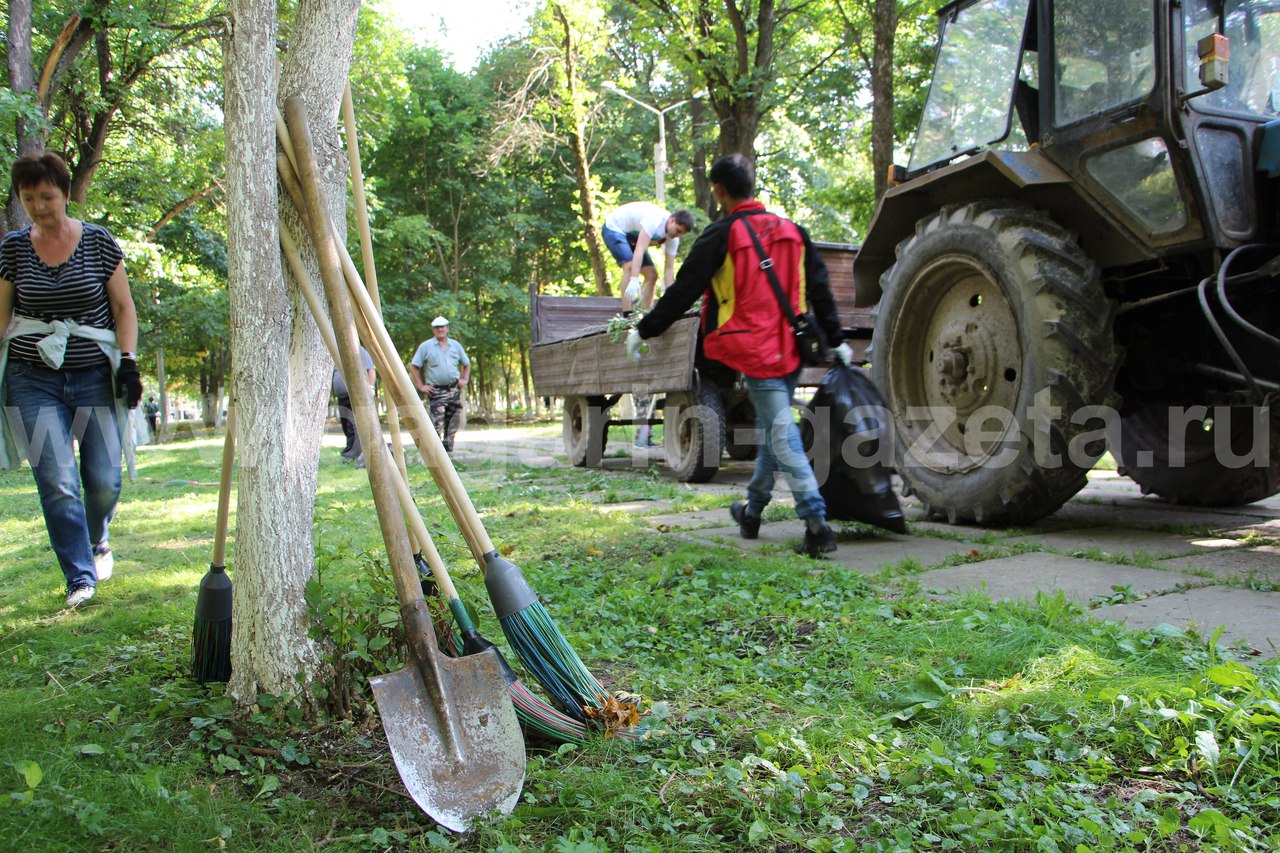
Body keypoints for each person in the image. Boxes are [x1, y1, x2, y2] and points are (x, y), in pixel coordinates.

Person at [626, 154, 852, 557]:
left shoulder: (721, 235)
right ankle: (751, 512)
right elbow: (819, 288)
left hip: (755, 349)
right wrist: (834, 339)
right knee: (773, 428)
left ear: (719, 191)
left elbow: (684, 291)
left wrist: (645, 328)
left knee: (781, 434)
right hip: (793, 346)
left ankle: (817, 525)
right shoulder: (792, 231)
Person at [0, 151, 142, 607]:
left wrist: (129, 362)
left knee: (103, 480)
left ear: (64, 193)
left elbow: (123, 309)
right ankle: (80, 576)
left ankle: (97, 538)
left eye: (47, 196)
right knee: (57, 480)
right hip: (31, 377)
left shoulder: (98, 241)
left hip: (94, 373)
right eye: (29, 198)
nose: (39, 206)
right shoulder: (13, 248)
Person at [601, 202, 694, 312]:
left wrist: (672, 298)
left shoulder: (673, 239)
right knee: (630, 267)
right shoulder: (655, 220)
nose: (678, 235)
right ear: (672, 220)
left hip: (633, 236)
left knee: (652, 275)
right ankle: (627, 315)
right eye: (678, 230)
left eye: (681, 234)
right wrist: (634, 279)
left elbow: (669, 269)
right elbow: (639, 249)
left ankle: (645, 314)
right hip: (615, 228)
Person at [410, 316, 471, 453]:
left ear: (447, 328)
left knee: (453, 419)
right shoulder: (426, 346)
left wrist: (464, 380)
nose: (440, 329)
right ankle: (437, 451)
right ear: (433, 330)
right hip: (436, 390)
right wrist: (421, 386)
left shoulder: (455, 345)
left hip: (453, 389)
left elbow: (466, 364)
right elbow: (414, 366)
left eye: (443, 326)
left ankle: (448, 447)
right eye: (437, 327)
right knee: (437, 422)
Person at [333, 345, 375, 467]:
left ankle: (353, 454)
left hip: (356, 394)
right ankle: (350, 451)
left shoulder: (359, 350)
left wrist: (370, 388)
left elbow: (371, 370)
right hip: (342, 397)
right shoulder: (336, 350)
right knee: (346, 424)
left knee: (354, 425)